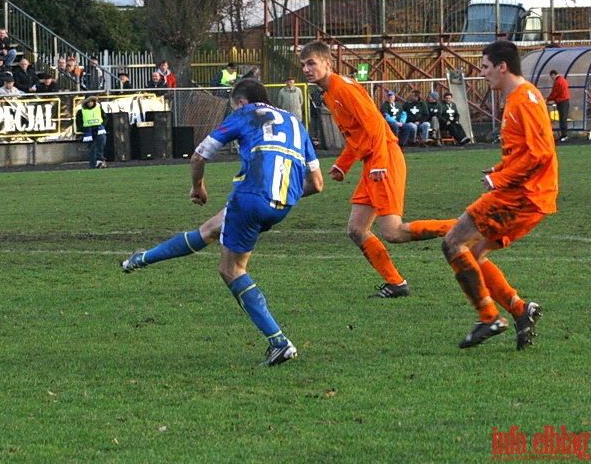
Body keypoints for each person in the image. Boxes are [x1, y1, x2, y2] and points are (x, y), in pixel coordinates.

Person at [122, 79, 323, 366]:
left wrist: (197, 187)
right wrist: (280, 195)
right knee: (211, 229)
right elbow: (316, 184)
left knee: (230, 269)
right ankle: (141, 259)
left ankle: (279, 342)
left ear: (240, 102)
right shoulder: (295, 122)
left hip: (251, 196)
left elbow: (199, 155)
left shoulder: (245, 114)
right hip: (281, 203)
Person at [300, 41, 457, 297]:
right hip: (373, 161)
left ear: (328, 64)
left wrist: (380, 162)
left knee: (393, 232)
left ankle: (464, 225)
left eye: (312, 63)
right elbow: (359, 134)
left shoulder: (342, 88)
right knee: (356, 229)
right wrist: (343, 164)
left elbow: (375, 125)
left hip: (383, 159)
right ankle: (396, 284)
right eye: (304, 65)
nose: (306, 69)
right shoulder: (329, 92)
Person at [442, 40, 555, 350]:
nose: (482, 73)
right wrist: (499, 167)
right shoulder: (520, 97)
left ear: (502, 67)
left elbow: (540, 154)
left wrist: (501, 178)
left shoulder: (525, 99)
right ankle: (520, 311)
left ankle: (489, 317)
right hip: (526, 195)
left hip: (522, 195)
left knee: (453, 242)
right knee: (474, 254)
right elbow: (524, 152)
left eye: (485, 66)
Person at [76, 95, 107, 168]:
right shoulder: (81, 111)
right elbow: (78, 122)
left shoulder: (99, 108)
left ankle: (100, 160)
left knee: (101, 144)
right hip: (88, 131)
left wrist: (102, 125)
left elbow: (104, 118)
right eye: (88, 102)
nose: (90, 103)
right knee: (92, 147)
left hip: (99, 129)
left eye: (91, 101)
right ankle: (93, 164)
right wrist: (84, 129)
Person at [545, 69, 570, 142]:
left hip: (561, 101)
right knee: (564, 117)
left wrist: (547, 99)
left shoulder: (557, 82)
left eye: (551, 77)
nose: (552, 79)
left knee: (562, 118)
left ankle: (564, 135)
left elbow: (554, 93)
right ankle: (564, 134)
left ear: (553, 75)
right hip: (565, 100)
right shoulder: (563, 80)